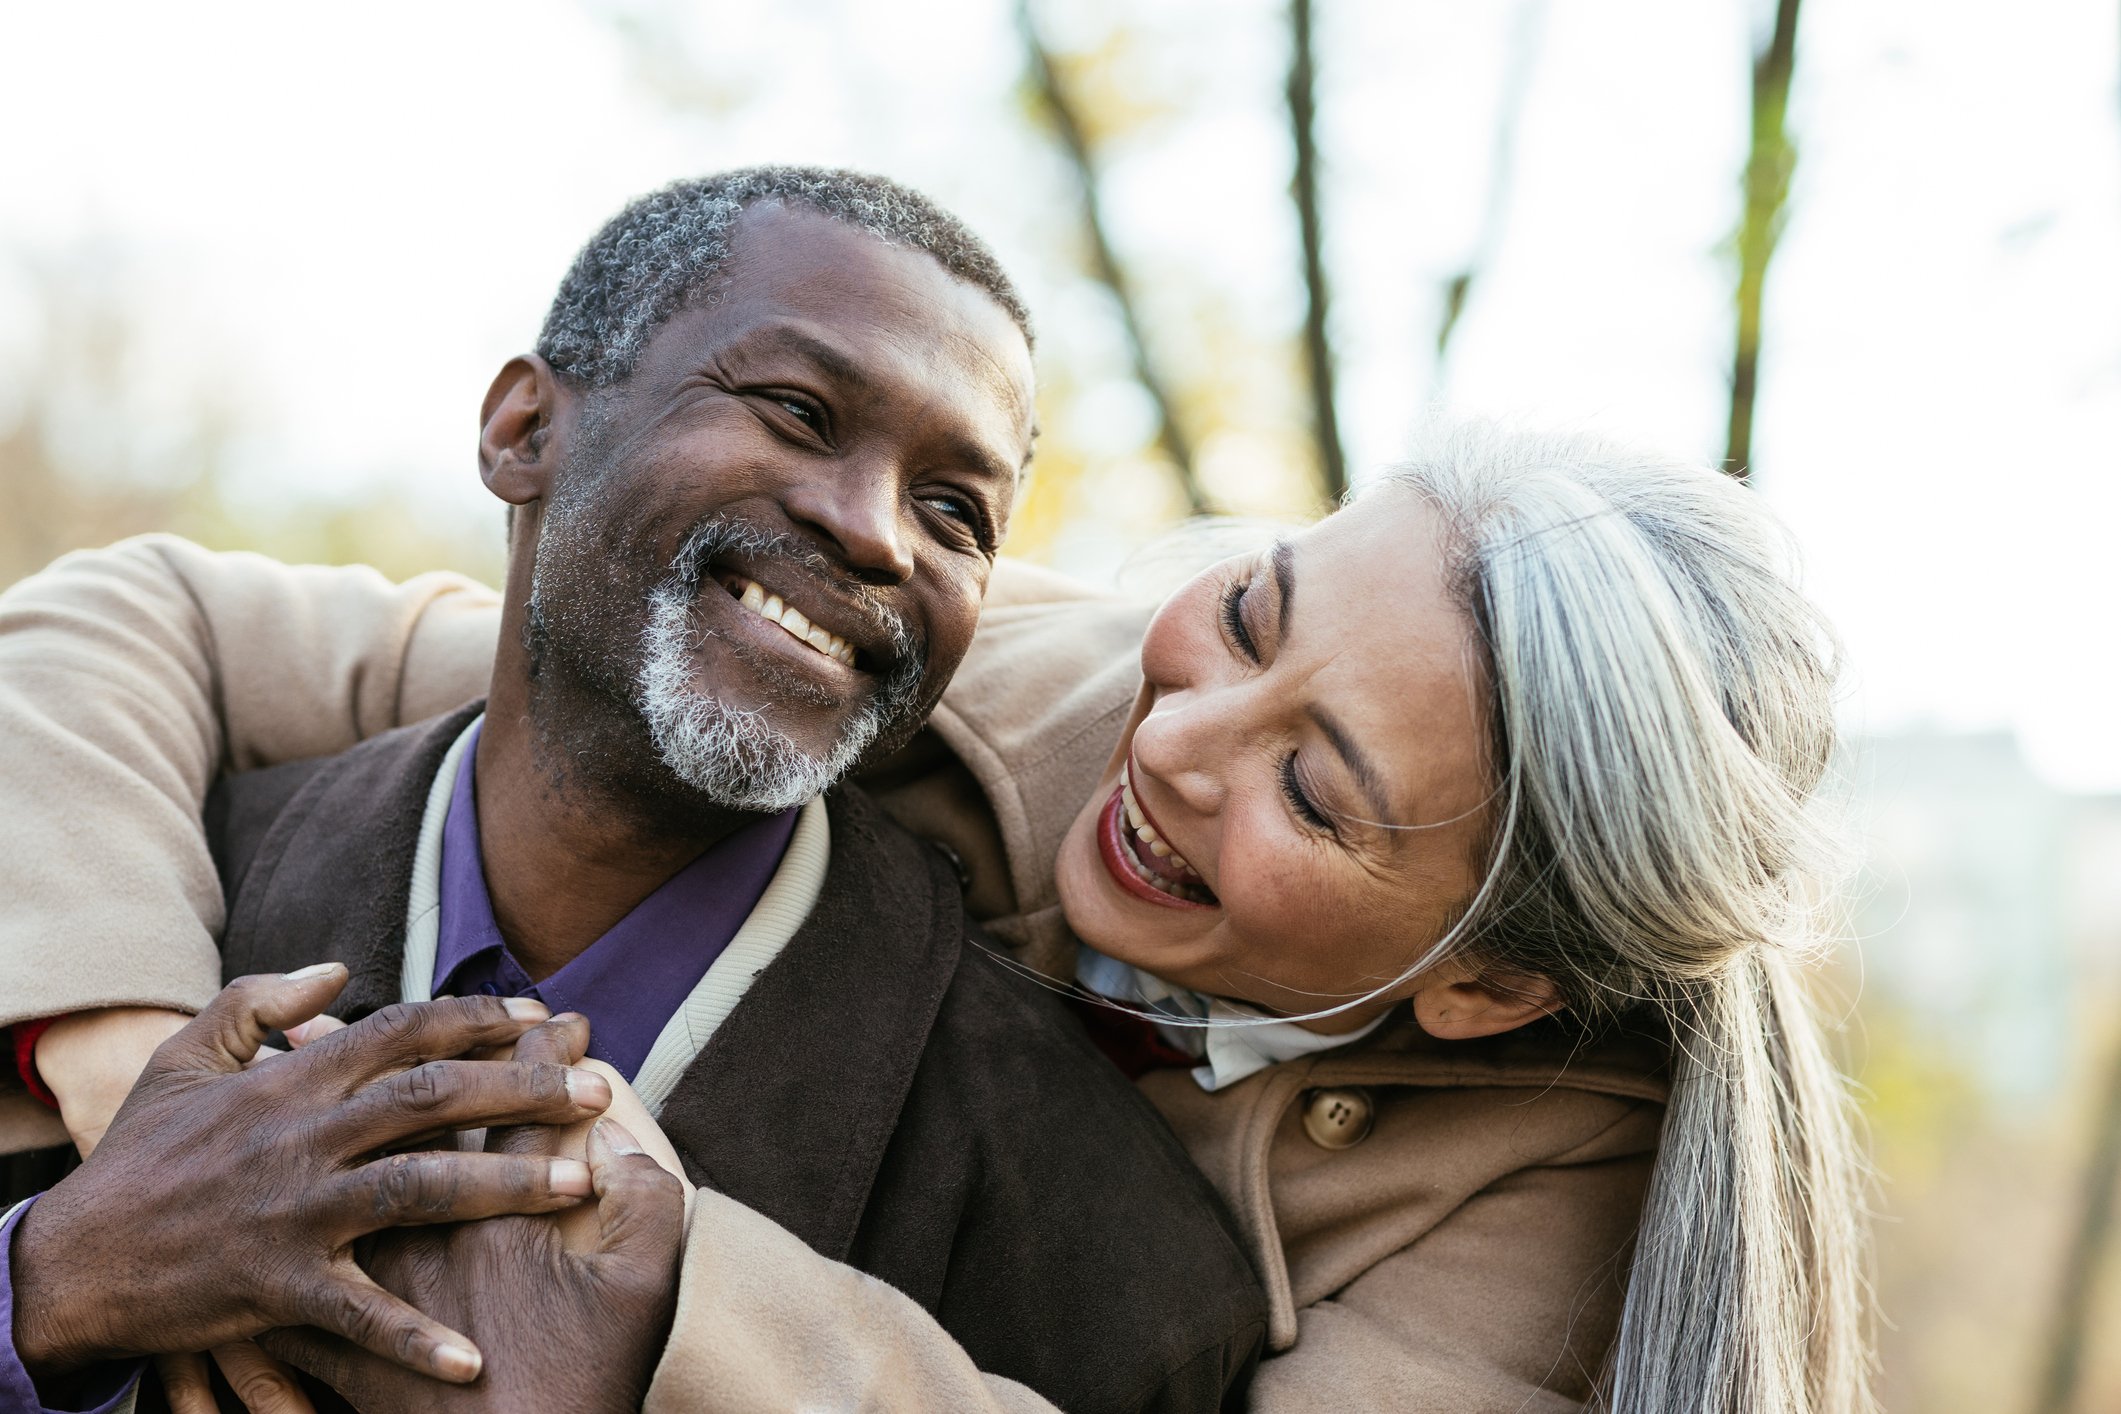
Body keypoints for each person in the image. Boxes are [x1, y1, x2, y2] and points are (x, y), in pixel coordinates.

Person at [0, 376, 1877, 1405]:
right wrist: (154, 1096)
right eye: (1248, 608)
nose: (1180, 741)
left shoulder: (1565, 1201)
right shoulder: (943, 654)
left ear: (1486, 986)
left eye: (1313, 789)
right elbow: (138, 614)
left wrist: (679, 1304)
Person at [0, 168, 1271, 1414]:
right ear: (524, 432)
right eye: (798, 409)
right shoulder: (113, 923)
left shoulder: (1116, 1259)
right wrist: (46, 1290)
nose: (883, 532)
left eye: (957, 509)